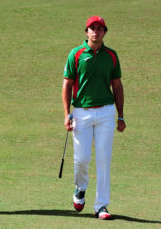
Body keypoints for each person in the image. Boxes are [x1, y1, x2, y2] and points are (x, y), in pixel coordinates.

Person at [62, 16, 126, 220]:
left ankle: (101, 205)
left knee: (104, 159)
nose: (96, 32)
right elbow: (67, 84)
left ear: (105, 32)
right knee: (81, 159)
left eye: (100, 28)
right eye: (92, 28)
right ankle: (80, 189)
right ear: (86, 31)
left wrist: (121, 116)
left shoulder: (112, 56)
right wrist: (66, 114)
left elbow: (117, 86)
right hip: (81, 111)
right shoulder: (76, 54)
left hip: (106, 112)